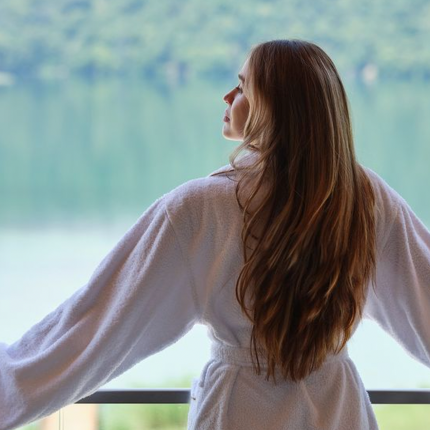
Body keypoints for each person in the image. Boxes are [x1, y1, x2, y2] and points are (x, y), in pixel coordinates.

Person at [1, 39, 430, 430]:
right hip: (340, 411)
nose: (227, 97)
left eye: (242, 87)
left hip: (239, 412)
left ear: (275, 107)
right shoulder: (367, 198)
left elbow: (97, 326)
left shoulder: (200, 209)